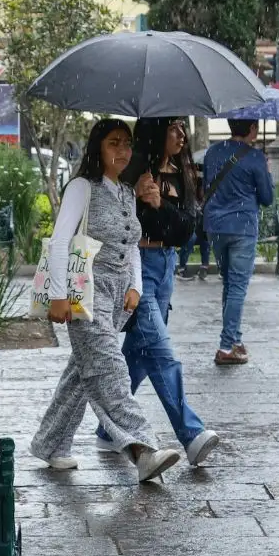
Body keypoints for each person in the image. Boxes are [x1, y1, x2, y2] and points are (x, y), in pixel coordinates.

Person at [31, 118, 181, 483]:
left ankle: (50, 444)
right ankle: (143, 449)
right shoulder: (82, 187)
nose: (123, 150)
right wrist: (58, 295)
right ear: (97, 147)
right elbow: (60, 240)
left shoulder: (127, 192)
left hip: (116, 299)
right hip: (84, 293)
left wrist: (136, 287)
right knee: (109, 368)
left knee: (83, 373)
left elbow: (132, 246)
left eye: (127, 144)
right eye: (114, 143)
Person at [94, 118, 220, 468]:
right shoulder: (130, 170)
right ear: (157, 130)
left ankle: (108, 431)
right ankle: (191, 433)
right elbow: (112, 222)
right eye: (174, 128)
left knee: (140, 352)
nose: (181, 135)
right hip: (137, 268)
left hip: (166, 267)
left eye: (183, 128)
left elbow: (186, 231)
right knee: (161, 351)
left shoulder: (181, 172)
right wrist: (135, 198)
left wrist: (160, 204)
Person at [202, 118, 275, 366]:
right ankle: (226, 346)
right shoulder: (255, 157)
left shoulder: (213, 152)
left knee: (229, 283)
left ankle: (234, 339)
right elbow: (267, 198)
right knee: (237, 287)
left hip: (215, 227)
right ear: (252, 129)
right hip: (242, 226)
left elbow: (206, 185)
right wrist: (266, 172)